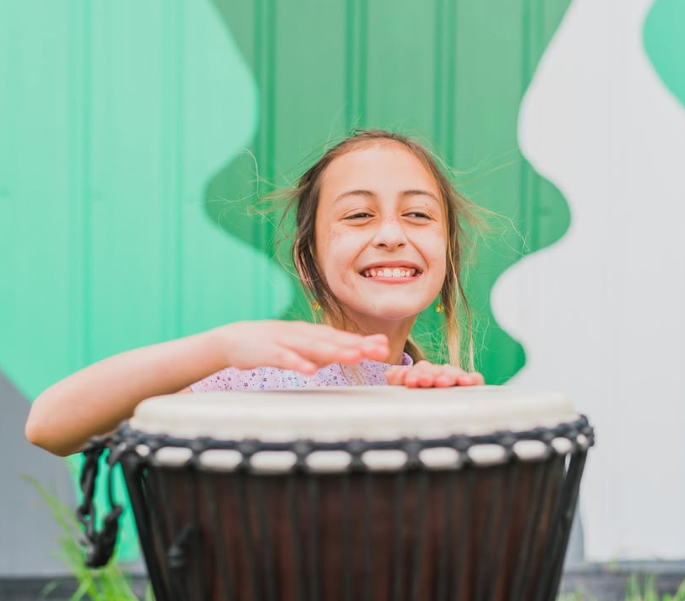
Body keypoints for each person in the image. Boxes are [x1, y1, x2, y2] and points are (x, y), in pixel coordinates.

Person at [25, 129, 485, 457]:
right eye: (359, 215)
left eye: (419, 215)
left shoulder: (430, 388)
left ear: (447, 258)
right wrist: (220, 347)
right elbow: (49, 426)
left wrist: (444, 416)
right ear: (307, 262)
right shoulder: (251, 381)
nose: (391, 234)